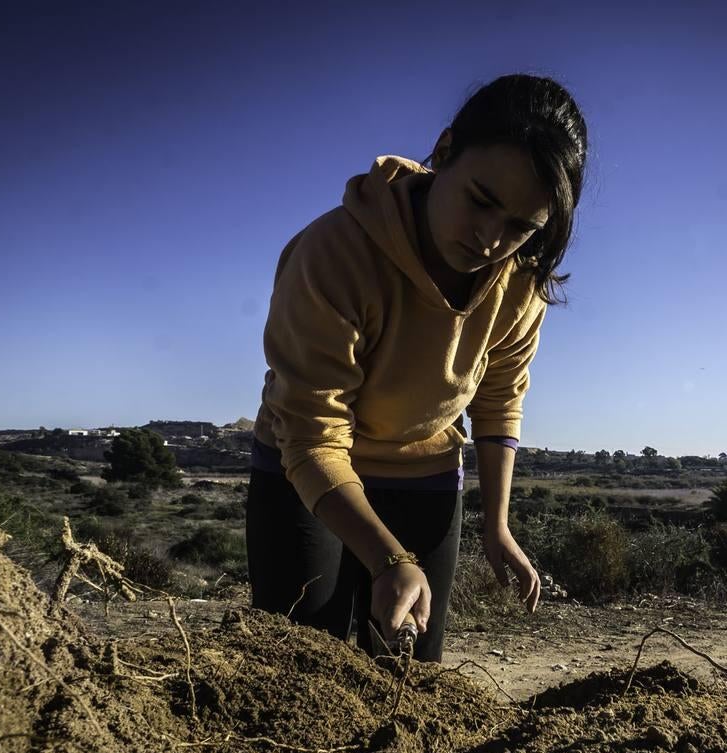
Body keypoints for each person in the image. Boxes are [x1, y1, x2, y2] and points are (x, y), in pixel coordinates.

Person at [245, 74, 588, 663]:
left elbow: (500, 397)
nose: (489, 239)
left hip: (423, 478)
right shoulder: (332, 253)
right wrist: (389, 560)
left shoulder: (522, 282)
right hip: (304, 476)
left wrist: (497, 526)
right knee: (300, 666)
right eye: (481, 200)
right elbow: (312, 435)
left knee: (408, 675)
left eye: (521, 227)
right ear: (446, 150)